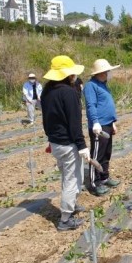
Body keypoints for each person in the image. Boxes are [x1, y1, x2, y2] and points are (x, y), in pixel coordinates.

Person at [40, 56, 88, 231]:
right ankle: (65, 219)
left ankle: (72, 205)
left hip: (55, 142)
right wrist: (82, 145)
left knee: (67, 176)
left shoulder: (47, 91)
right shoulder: (68, 92)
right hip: (68, 144)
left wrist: (50, 138)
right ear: (68, 75)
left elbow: (46, 119)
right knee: (72, 179)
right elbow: (74, 122)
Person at [84, 59, 121, 196]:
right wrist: (95, 122)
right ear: (100, 72)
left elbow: (107, 105)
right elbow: (91, 105)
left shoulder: (104, 85)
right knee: (97, 154)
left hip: (107, 123)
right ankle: (95, 183)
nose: (108, 73)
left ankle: (104, 177)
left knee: (106, 153)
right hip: (98, 126)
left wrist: (112, 122)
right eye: (107, 71)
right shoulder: (91, 86)